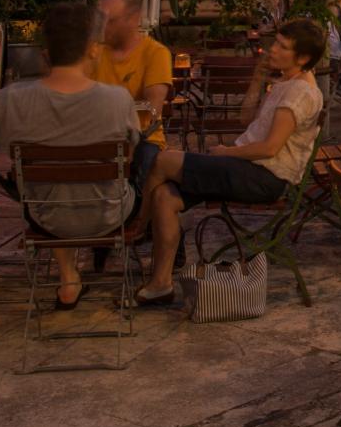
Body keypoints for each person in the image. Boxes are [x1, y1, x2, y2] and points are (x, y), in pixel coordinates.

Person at [0, 3, 131, 310]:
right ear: (94, 50)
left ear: (45, 53)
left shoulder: (12, 99)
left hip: (46, 216)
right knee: (147, 170)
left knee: (49, 186)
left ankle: (68, 277)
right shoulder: (118, 100)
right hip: (110, 214)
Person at [133, 19, 325, 308]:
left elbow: (270, 148)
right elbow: (246, 120)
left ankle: (136, 227)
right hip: (246, 168)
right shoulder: (286, 82)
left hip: (264, 177)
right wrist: (258, 78)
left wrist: (225, 153)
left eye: (282, 47)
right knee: (164, 196)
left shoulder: (300, 93)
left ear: (303, 58)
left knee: (161, 160)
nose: (273, 49)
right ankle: (161, 283)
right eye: (276, 42)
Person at [85, 0, 175, 184]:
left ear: (133, 19)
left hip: (143, 139)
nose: (104, 27)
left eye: (112, 21)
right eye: (102, 20)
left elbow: (152, 110)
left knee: (140, 166)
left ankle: (135, 209)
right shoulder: (93, 52)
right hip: (100, 135)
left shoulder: (155, 53)